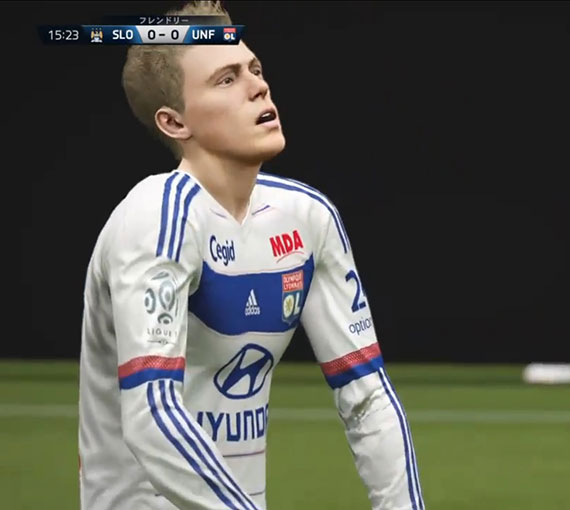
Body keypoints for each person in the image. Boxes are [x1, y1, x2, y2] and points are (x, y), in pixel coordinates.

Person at [78, 2, 424, 509]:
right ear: (174, 122)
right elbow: (152, 413)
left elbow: (366, 395)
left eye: (254, 68)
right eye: (226, 79)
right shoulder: (155, 220)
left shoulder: (306, 218)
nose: (258, 86)